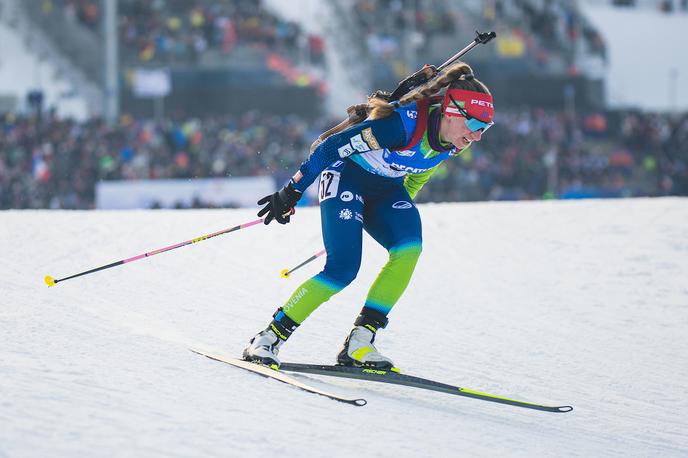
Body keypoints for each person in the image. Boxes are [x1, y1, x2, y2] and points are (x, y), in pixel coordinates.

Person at [243, 61, 494, 369]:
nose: (478, 136)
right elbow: (330, 148)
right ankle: (267, 338)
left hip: (385, 189)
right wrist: (292, 191)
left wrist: (387, 218)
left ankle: (360, 342)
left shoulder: (454, 140)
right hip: (346, 176)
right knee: (343, 269)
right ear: (452, 112)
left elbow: (418, 172)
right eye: (476, 125)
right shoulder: (399, 127)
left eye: (485, 128)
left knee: (409, 247)